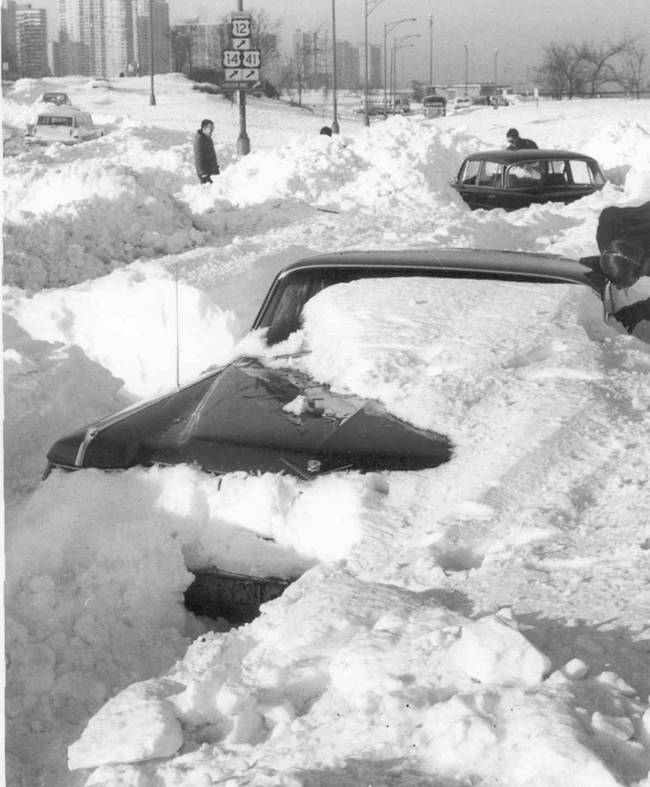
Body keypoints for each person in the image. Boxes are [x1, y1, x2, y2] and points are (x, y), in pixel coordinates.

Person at [593, 202, 650, 340]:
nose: (618, 287)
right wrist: (607, 258)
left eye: (622, 282)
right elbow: (608, 214)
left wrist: (638, 311)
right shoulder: (608, 234)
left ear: (636, 275)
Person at [194, 119, 220, 184]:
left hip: (211, 171)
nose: (212, 130)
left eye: (213, 128)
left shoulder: (207, 138)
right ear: (204, 128)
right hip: (206, 173)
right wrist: (203, 173)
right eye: (210, 128)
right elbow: (199, 158)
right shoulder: (200, 140)